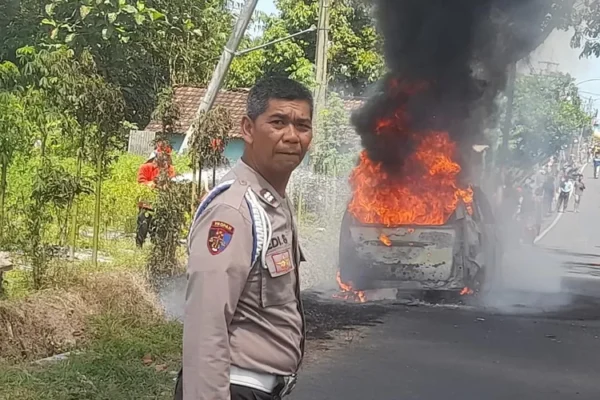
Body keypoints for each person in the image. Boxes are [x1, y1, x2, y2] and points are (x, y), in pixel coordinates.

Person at [177, 77, 313, 400]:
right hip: (234, 389)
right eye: (278, 122)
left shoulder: (274, 202)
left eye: (302, 125)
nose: (292, 136)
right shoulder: (234, 211)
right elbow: (205, 327)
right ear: (248, 129)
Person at [136, 142, 176, 248]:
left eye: (167, 156)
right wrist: (151, 184)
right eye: (163, 155)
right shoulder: (145, 167)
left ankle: (156, 249)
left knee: (158, 227)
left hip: (162, 202)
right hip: (146, 203)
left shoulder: (170, 169)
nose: (165, 158)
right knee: (143, 226)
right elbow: (141, 182)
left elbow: (172, 183)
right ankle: (139, 246)